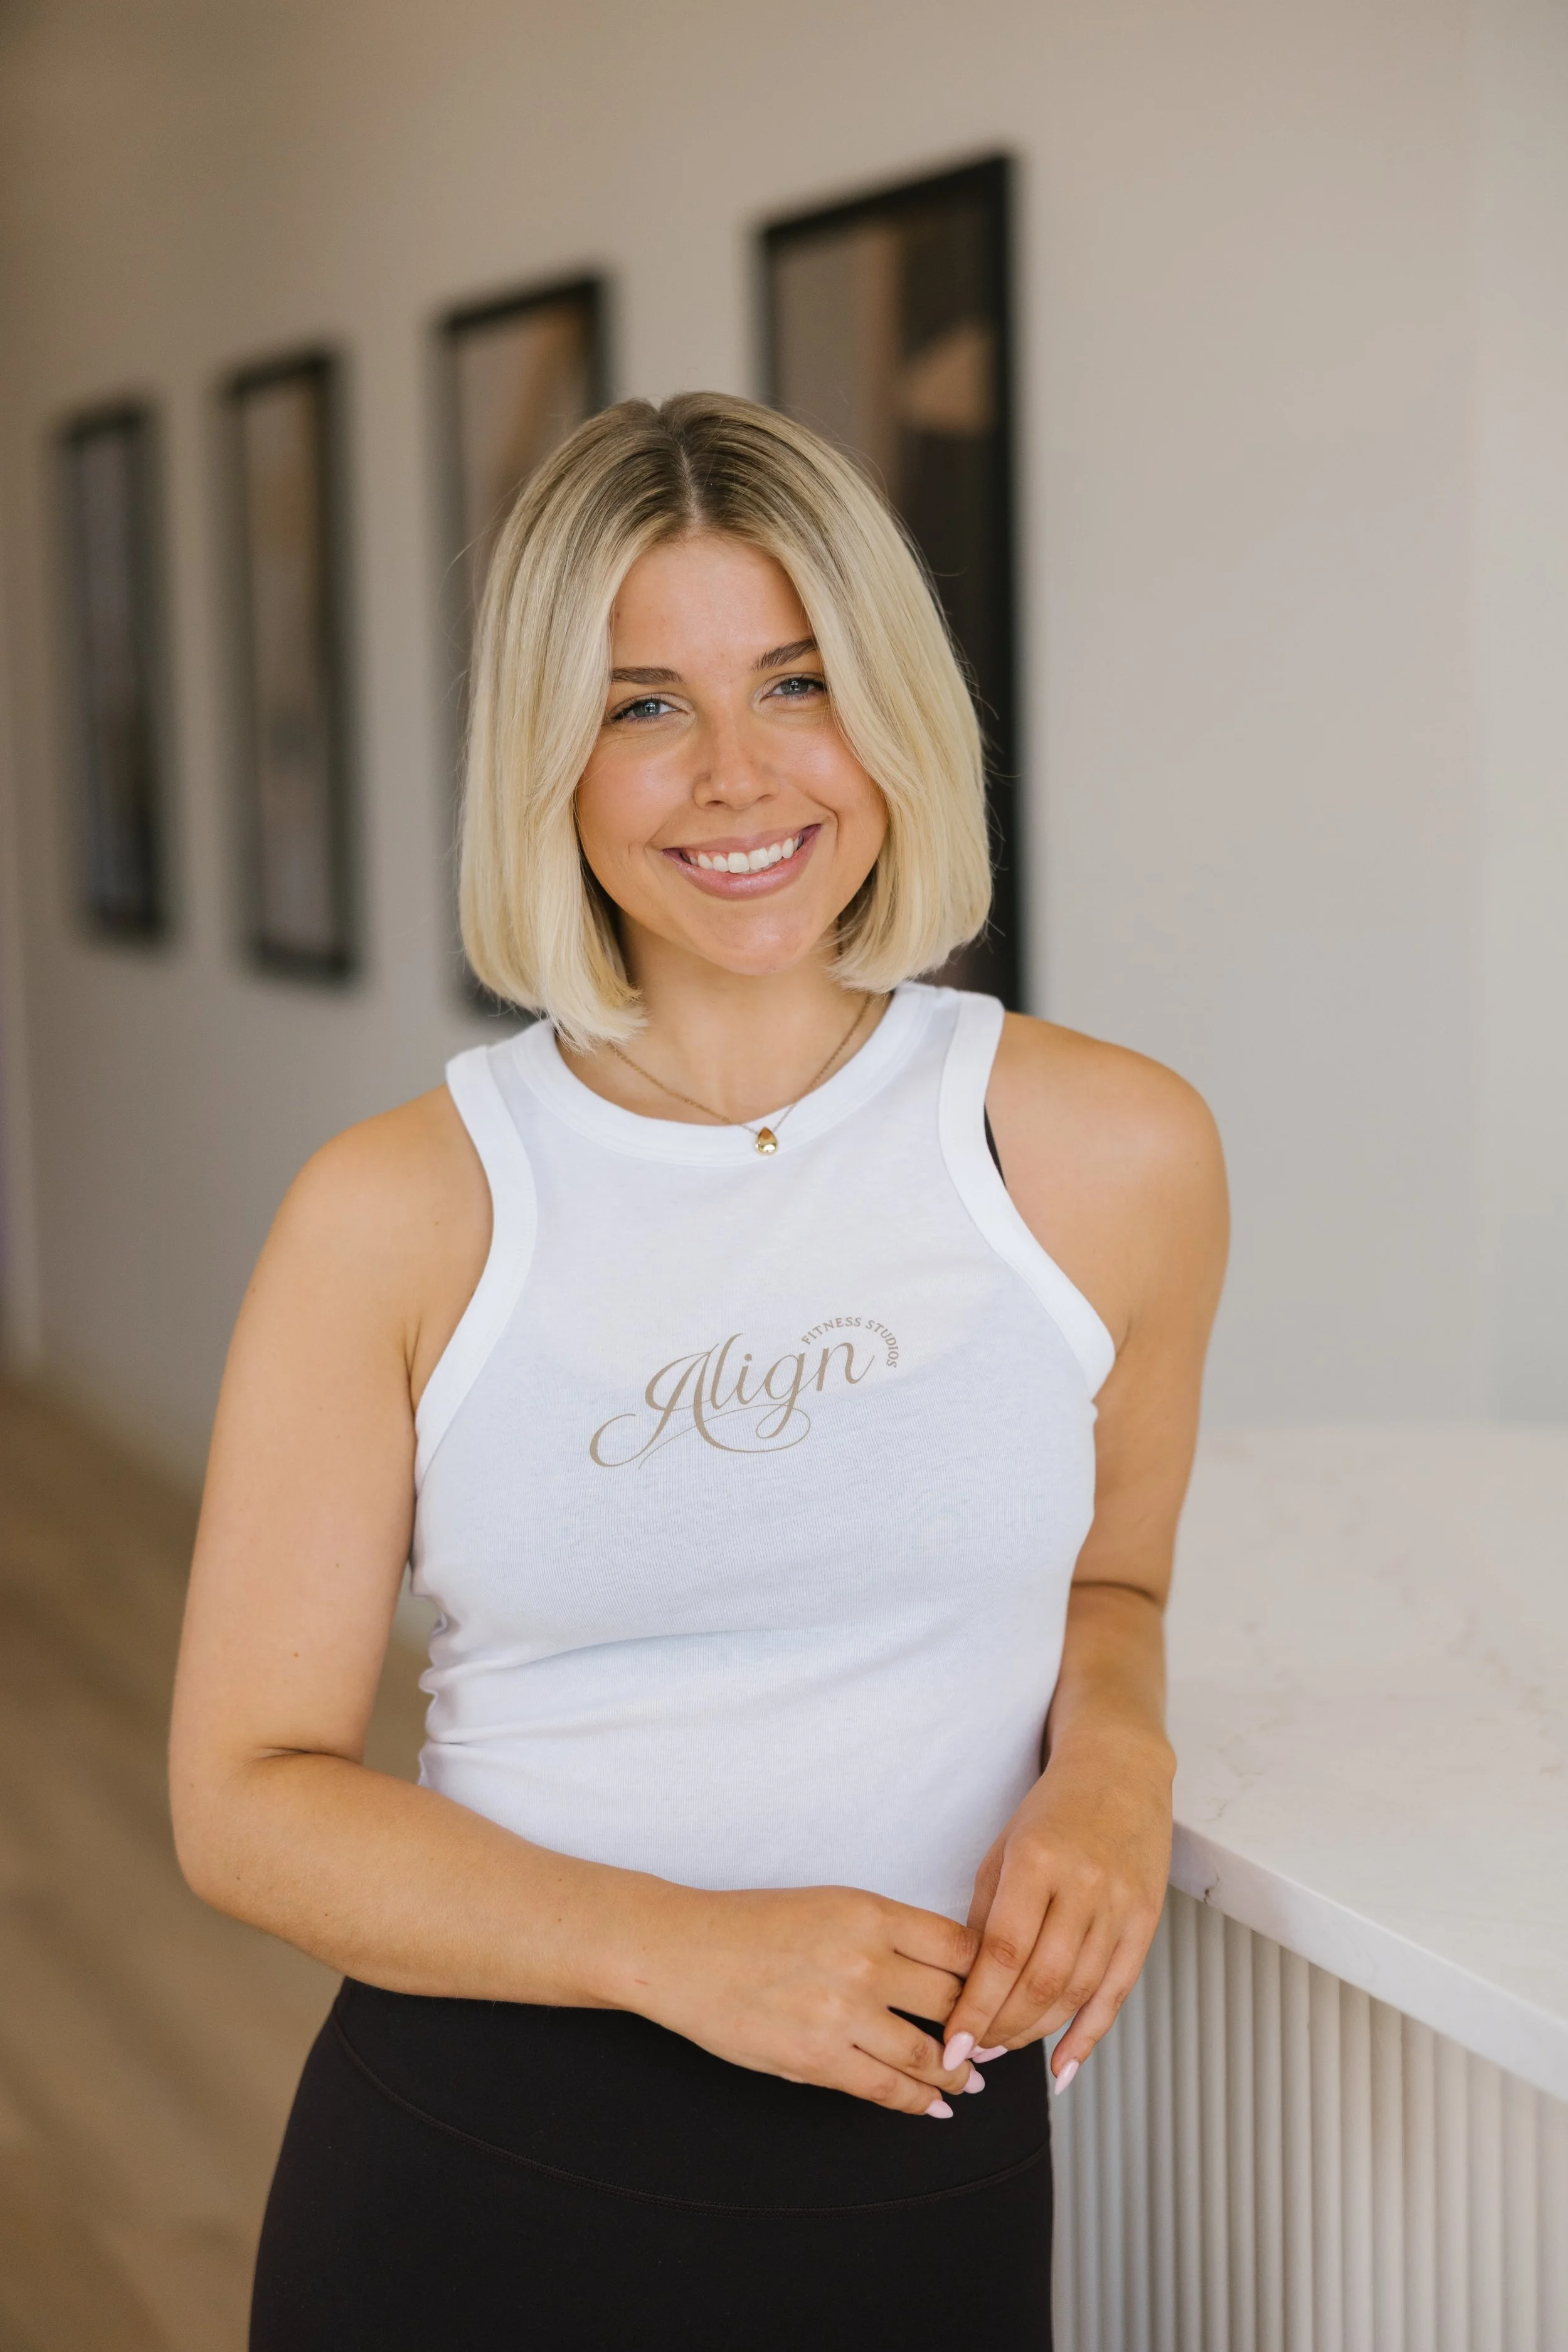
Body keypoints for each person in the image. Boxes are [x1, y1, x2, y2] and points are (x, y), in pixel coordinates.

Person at [170, 391, 1227, 2350]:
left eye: (796, 682)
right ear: (549, 761)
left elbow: (1116, 1579)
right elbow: (244, 1795)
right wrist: (680, 1953)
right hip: (475, 2171)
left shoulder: (1109, 1153)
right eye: (643, 703)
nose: (736, 775)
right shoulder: (396, 1208)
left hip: (925, 2167)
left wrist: (1113, 1765)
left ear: (893, 709)